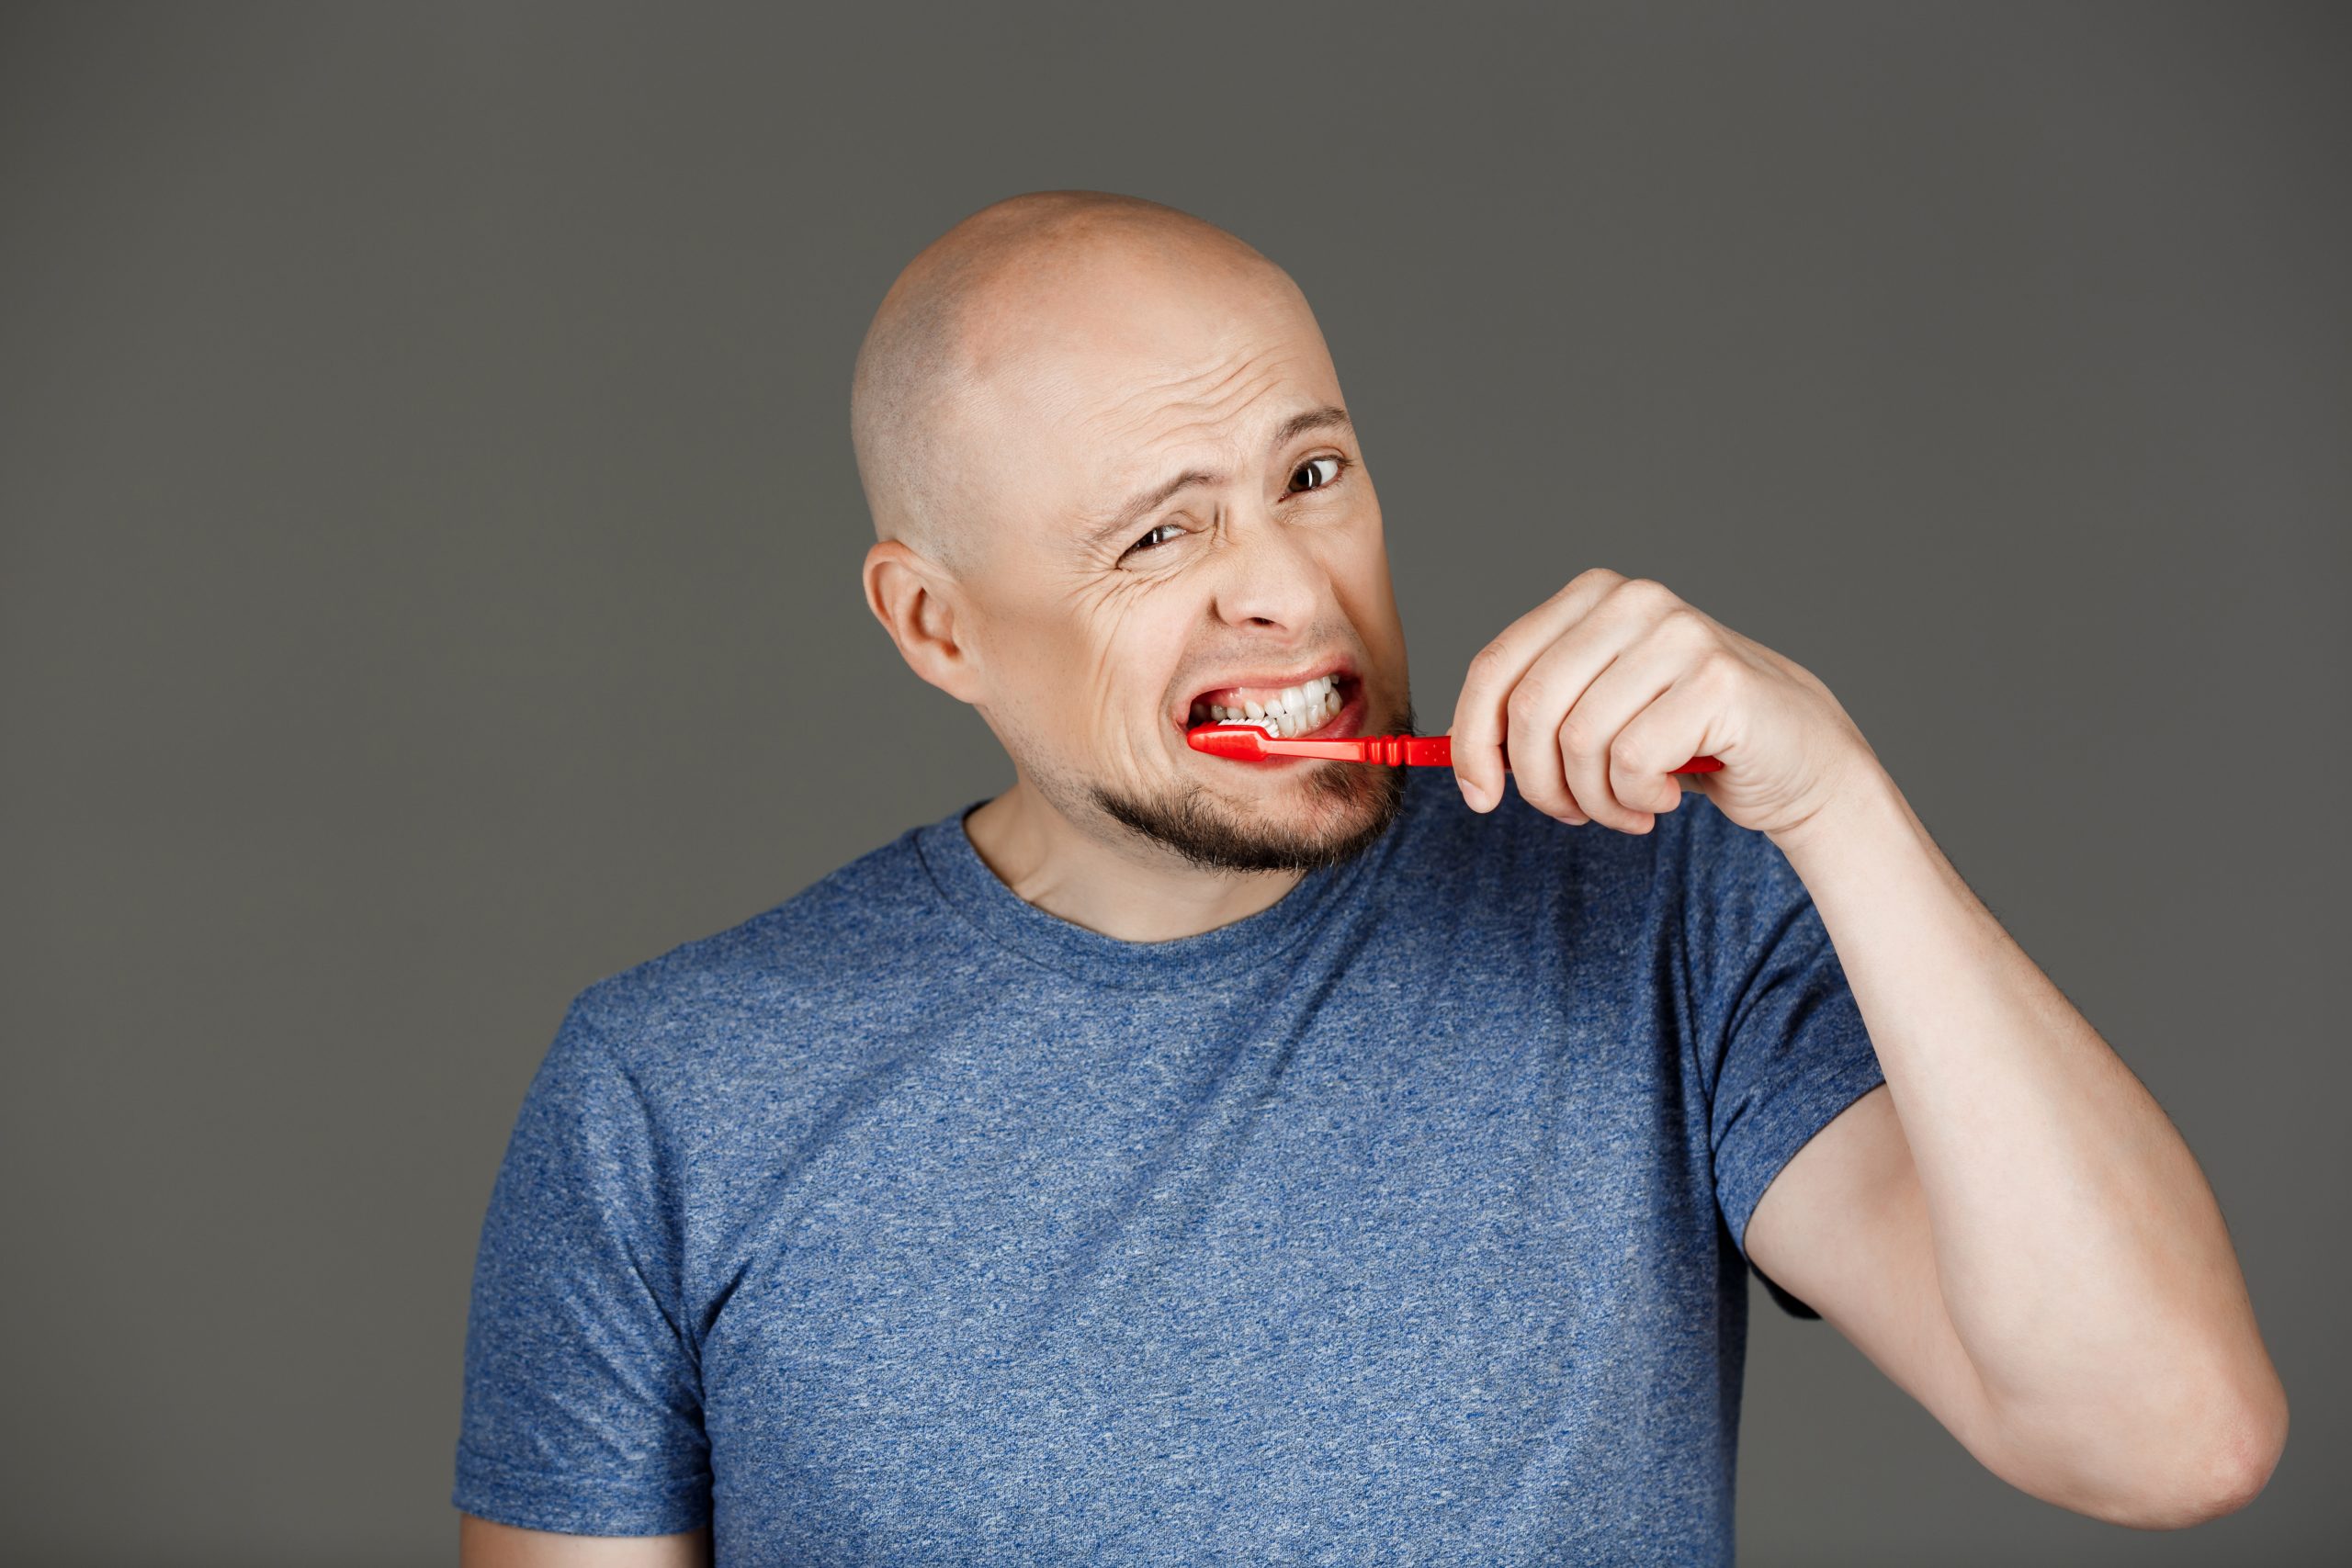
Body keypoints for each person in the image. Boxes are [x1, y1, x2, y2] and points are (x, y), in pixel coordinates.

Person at [454, 190, 2286, 1566]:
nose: (1286, 586)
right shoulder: (664, 1094)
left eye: (1309, 472)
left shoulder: (1655, 909)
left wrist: (1835, 798)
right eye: (1158, 531)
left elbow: (2167, 1432)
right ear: (934, 622)